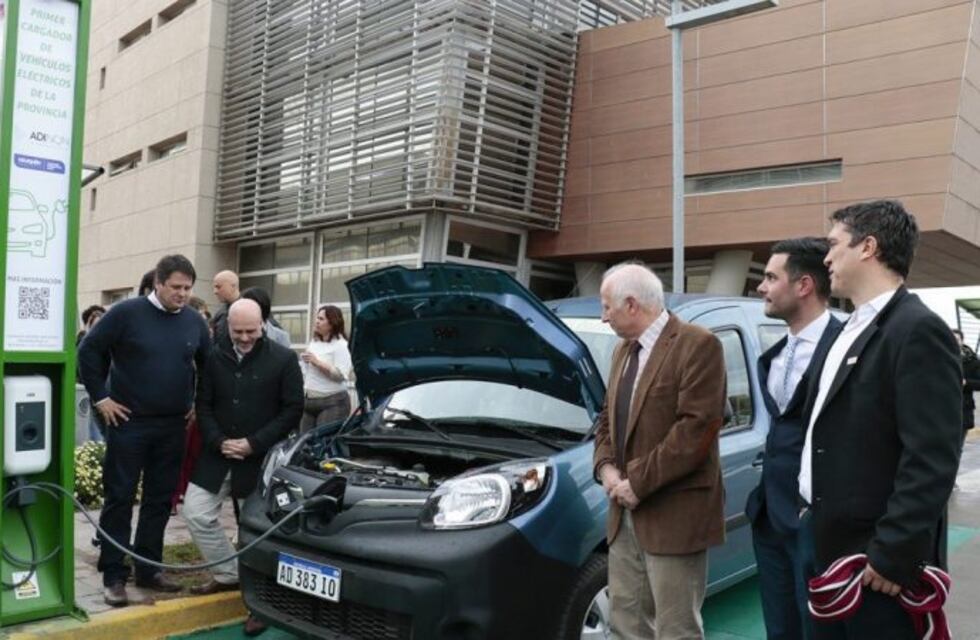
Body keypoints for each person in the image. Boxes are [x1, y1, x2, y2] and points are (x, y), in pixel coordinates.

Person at [800, 200, 962, 639]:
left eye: (834, 244)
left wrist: (892, 553)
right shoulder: (847, 329)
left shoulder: (917, 329)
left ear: (868, 247)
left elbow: (931, 458)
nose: (826, 258)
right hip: (823, 542)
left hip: (875, 565)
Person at [592, 262, 727, 639]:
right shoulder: (622, 351)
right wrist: (605, 467)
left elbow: (696, 430)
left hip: (674, 514)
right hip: (623, 515)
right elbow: (606, 418)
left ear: (632, 305)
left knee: (676, 629)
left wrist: (637, 482)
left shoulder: (698, 344)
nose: (604, 317)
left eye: (607, 307)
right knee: (626, 625)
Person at [78, 255, 211, 607]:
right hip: (129, 423)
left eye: (188, 288)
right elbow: (88, 351)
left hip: (173, 425)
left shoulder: (193, 322)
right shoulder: (126, 313)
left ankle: (148, 569)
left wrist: (198, 403)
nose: (183, 294)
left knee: (160, 499)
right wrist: (101, 397)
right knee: (119, 498)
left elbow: (208, 365)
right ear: (158, 283)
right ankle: (113, 575)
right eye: (176, 287)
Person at [183, 298, 303, 636]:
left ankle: (262, 603)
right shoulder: (213, 357)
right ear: (227, 327)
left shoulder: (284, 358)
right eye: (238, 332)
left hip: (260, 458)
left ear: (263, 324)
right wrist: (218, 440)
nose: (245, 338)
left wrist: (253, 443)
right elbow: (203, 404)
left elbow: (292, 409)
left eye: (251, 330)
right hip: (217, 454)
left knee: (255, 531)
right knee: (195, 512)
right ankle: (228, 575)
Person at [745, 238, 842, 640]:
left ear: (804, 285)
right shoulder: (774, 355)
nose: (761, 287)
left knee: (820, 630)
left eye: (771, 277)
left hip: (819, 522)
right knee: (780, 629)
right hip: (769, 517)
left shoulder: (846, 346)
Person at [299, 305, 353, 433]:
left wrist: (317, 362)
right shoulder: (314, 343)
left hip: (332, 402)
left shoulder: (341, 345)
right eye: (317, 318)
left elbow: (341, 375)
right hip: (308, 401)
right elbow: (307, 371)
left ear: (332, 323)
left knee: (323, 441)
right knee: (304, 441)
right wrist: (304, 362)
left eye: (321, 319)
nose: (317, 321)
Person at [76, 304, 108, 442]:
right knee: (96, 435)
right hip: (92, 394)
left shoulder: (113, 345)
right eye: (95, 326)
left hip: (107, 395)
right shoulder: (84, 346)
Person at [953, 329, 980, 440]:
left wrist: (966, 382)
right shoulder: (938, 358)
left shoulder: (972, 361)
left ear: (962, 341)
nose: (954, 342)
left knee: (957, 445)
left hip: (963, 408)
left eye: (957, 339)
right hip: (942, 409)